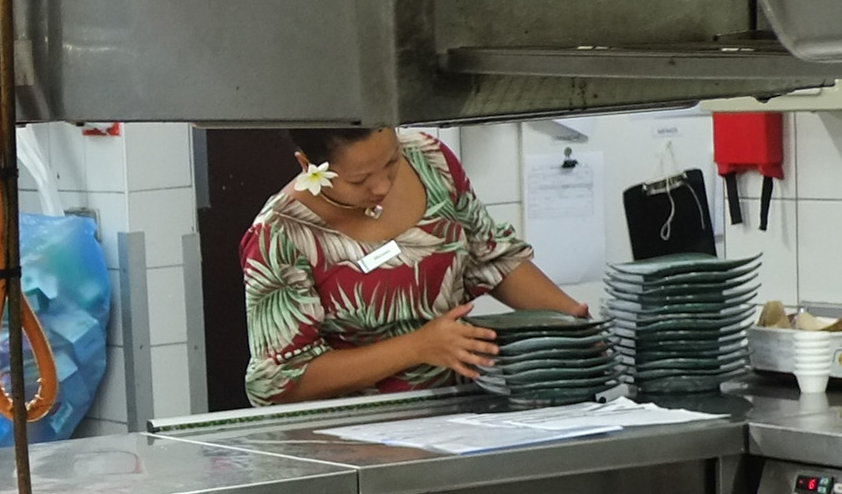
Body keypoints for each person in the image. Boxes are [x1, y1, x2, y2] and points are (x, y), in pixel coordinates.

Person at [242, 122, 588, 400]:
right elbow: (280, 381)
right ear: (308, 166)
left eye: (391, 161)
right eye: (359, 180)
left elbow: (492, 258)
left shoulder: (428, 158)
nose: (381, 186)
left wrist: (576, 324)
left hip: (463, 405)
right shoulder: (282, 234)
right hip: (355, 431)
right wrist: (417, 347)